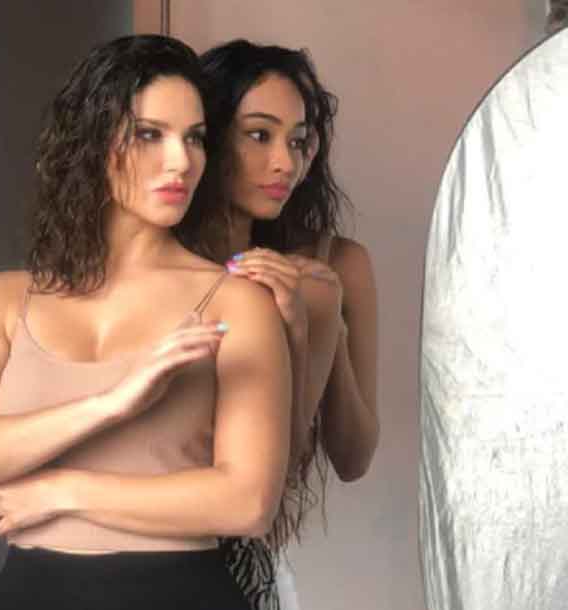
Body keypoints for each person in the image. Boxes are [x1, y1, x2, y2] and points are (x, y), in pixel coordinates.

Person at [0, 35, 293, 610]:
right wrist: (111, 404)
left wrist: (65, 490)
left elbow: (247, 503)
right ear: (92, 142)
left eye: (194, 137)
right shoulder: (2, 300)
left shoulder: (236, 303)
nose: (181, 161)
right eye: (150, 134)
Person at [193, 40, 380, 609]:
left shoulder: (334, 263)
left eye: (298, 142)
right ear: (208, 134)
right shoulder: (164, 263)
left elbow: (352, 458)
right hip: (151, 548)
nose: (285, 164)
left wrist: (321, 323)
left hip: (250, 561)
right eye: (259, 135)